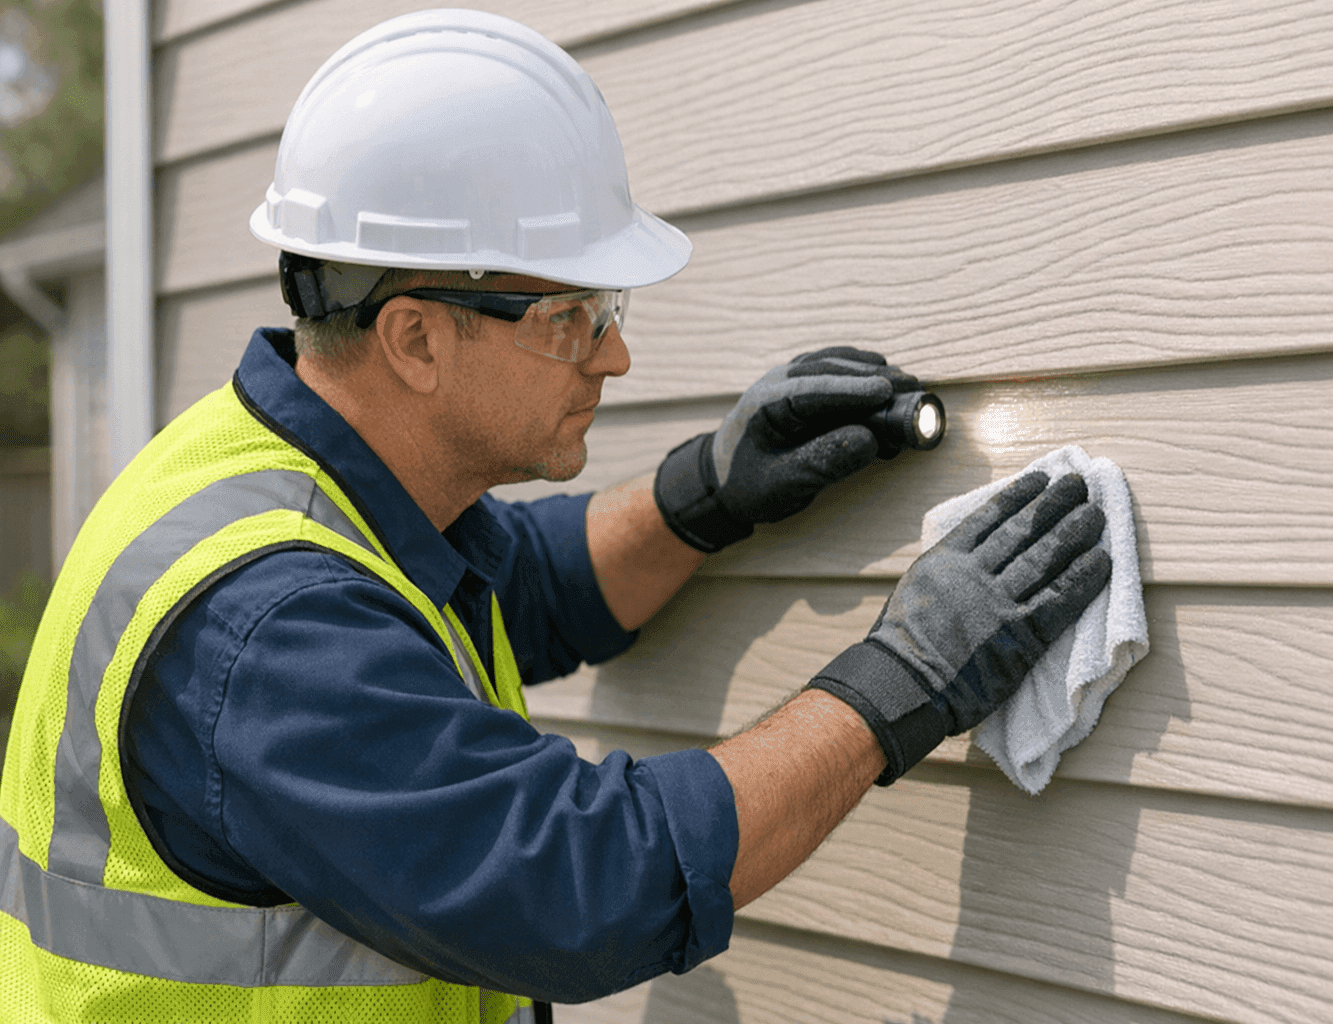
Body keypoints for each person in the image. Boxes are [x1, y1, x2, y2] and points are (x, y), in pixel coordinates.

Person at [0, 10, 1110, 1024]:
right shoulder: (268, 630)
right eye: (573, 316)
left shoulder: (284, 476)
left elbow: (508, 585)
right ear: (418, 339)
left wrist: (703, 497)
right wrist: (905, 679)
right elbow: (585, 883)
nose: (617, 354)